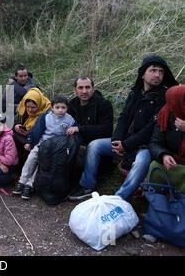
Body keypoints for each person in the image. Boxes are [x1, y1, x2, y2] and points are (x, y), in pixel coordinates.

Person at [69, 54, 178, 201]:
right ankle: (87, 185)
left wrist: (126, 145)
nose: (157, 75)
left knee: (141, 161)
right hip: (126, 141)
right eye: (153, 70)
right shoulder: (135, 92)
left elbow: (152, 127)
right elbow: (124, 117)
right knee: (95, 145)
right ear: (143, 74)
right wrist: (117, 139)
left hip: (146, 145)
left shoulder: (165, 96)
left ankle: (120, 198)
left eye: (161, 71)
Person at [13, 95, 76, 200]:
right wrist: (30, 142)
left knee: (42, 165)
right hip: (42, 144)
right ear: (52, 107)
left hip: (55, 148)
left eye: (63, 107)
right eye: (57, 107)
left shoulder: (70, 120)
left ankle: (30, 185)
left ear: (67, 108)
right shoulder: (46, 117)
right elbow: (36, 130)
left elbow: (72, 135)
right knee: (31, 159)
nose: (60, 110)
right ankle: (22, 181)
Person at [149, 85, 185, 193]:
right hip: (175, 161)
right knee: (154, 167)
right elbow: (155, 142)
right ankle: (163, 197)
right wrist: (163, 155)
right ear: (175, 103)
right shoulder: (165, 115)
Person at [67, 77, 114, 145]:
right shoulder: (71, 105)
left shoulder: (104, 104)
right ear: (75, 90)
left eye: (87, 87)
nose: (84, 91)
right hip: (77, 141)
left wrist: (79, 129)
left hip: (97, 143)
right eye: (80, 88)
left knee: (93, 145)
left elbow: (106, 130)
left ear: (93, 89)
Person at [13, 88, 51, 170]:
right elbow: (14, 121)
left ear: (39, 104)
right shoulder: (22, 108)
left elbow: (45, 131)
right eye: (28, 107)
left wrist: (29, 133)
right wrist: (16, 126)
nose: (30, 110)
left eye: (33, 107)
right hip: (22, 136)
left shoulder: (47, 112)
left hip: (36, 139)